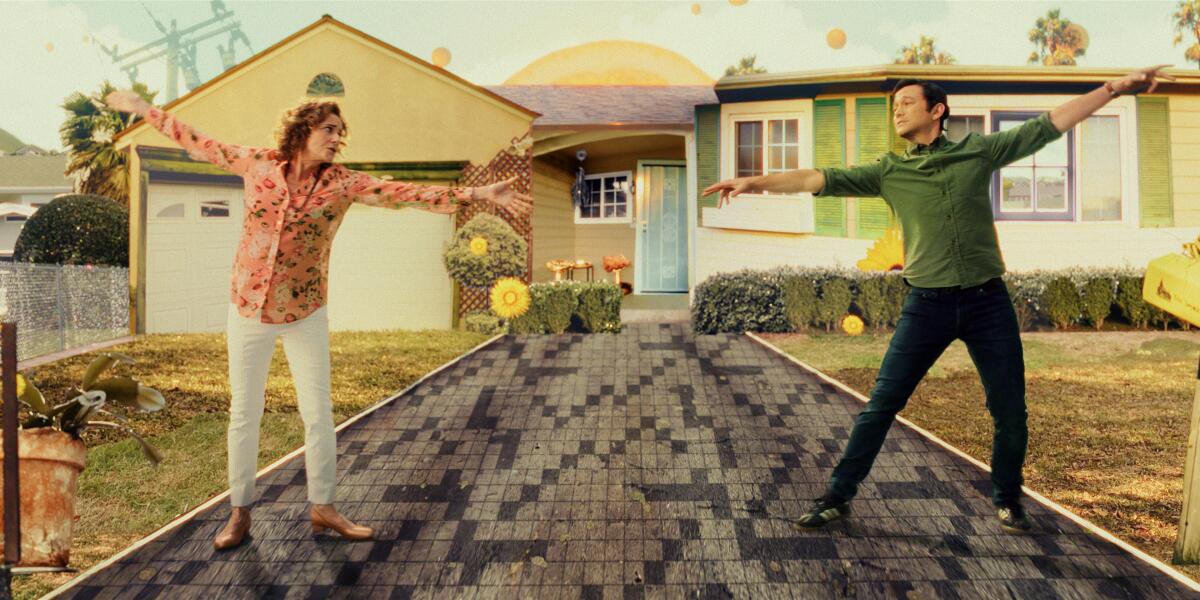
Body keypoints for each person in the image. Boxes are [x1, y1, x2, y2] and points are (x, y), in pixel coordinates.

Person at [702, 65, 1174, 534]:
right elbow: (816, 178)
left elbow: (1051, 124)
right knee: (881, 404)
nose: (897, 112)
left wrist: (1114, 88)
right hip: (926, 305)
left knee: (1010, 410)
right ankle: (837, 495)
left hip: (988, 304)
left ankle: (1008, 499)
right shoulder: (889, 172)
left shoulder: (978, 152)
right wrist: (753, 182)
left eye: (906, 103)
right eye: (893, 107)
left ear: (937, 110)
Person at [105, 90, 532, 550]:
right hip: (248, 307)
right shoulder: (258, 164)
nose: (336, 139)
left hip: (305, 311)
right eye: (329, 129)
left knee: (318, 413)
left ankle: (323, 508)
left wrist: (479, 193)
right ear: (302, 130)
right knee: (244, 414)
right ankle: (239, 513)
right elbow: (199, 142)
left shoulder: (342, 183)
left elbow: (404, 193)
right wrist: (145, 111)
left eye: (339, 132)